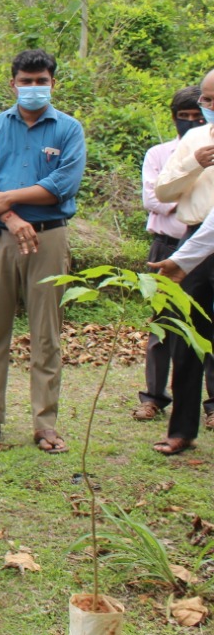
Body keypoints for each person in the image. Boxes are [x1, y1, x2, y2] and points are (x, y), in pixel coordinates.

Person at [0, 49, 85, 455]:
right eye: (26, 80)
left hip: (49, 239)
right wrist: (12, 217)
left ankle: (45, 424)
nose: (34, 88)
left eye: (41, 80)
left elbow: (62, 184)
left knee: (46, 333)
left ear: (53, 83)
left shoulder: (68, 130)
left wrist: (7, 198)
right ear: (12, 83)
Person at [149, 68, 214, 454]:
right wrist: (196, 164)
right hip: (194, 242)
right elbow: (164, 190)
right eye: (206, 100)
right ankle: (182, 429)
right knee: (185, 337)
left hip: (195, 249)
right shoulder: (192, 139)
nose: (208, 108)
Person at [135, 87, 206, 421]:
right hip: (167, 244)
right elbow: (154, 201)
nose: (190, 123)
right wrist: (191, 198)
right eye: (184, 117)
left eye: (196, 116)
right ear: (174, 116)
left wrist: (185, 200)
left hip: (204, 249)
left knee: (205, 326)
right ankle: (152, 396)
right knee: (162, 323)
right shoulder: (160, 153)